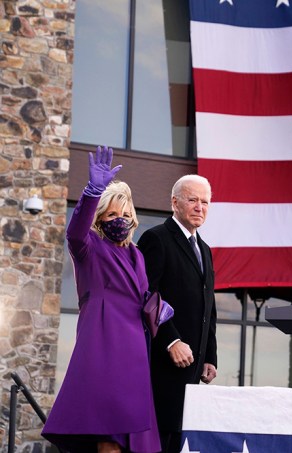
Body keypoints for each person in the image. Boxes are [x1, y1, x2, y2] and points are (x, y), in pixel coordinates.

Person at [42, 146, 160, 453]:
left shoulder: (136, 255)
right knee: (109, 435)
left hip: (134, 349)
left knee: (131, 438)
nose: (119, 219)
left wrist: (160, 309)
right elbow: (75, 232)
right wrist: (92, 191)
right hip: (103, 346)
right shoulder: (89, 246)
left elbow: (142, 297)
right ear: (100, 218)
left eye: (124, 214)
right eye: (111, 214)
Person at [138, 174, 218, 453]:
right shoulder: (156, 239)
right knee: (158, 442)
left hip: (193, 369)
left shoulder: (205, 250)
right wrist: (171, 341)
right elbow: (147, 297)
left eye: (205, 202)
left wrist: (210, 355)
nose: (200, 207)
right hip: (162, 366)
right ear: (174, 202)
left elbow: (209, 306)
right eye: (193, 199)